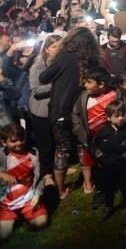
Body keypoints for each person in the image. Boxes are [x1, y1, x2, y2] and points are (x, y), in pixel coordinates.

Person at [38, 26, 104, 200]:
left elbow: (43, 78)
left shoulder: (64, 58)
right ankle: (89, 185)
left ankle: (60, 191)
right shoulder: (92, 61)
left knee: (62, 151)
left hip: (60, 113)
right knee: (84, 148)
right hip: (83, 112)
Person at [71, 65, 124, 209]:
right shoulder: (84, 96)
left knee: (109, 165)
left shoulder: (115, 96)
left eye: (89, 82)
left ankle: (114, 187)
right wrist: (78, 130)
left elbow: (124, 112)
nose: (85, 85)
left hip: (110, 141)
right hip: (91, 140)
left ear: (101, 84)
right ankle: (102, 191)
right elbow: (75, 113)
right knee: (97, 167)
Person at [93, 100, 126, 224]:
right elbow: (94, 146)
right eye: (116, 116)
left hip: (124, 168)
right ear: (108, 117)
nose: (120, 118)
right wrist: (101, 156)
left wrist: (125, 156)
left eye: (123, 115)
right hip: (107, 168)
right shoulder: (103, 131)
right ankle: (109, 207)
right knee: (108, 188)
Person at [0, 123, 49, 243]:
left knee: (41, 223)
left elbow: (40, 176)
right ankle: (11, 215)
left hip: (28, 198)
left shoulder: (33, 153)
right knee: (3, 236)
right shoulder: (1, 155)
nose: (19, 143)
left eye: (21, 139)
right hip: (7, 202)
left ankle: (24, 214)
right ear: (4, 142)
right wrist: (1, 174)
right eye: (14, 141)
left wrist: (38, 194)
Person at [27, 34, 61, 181]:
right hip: (41, 113)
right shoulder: (38, 66)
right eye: (54, 47)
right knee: (45, 145)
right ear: (46, 49)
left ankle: (56, 167)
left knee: (57, 142)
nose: (58, 49)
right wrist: (55, 85)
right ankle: (46, 174)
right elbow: (35, 90)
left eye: (60, 46)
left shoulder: (60, 63)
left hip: (55, 111)